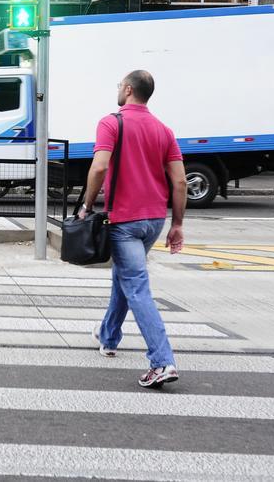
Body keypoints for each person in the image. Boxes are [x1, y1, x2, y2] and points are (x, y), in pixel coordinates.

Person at [79, 70, 187, 388]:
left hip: (124, 222)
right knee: (125, 277)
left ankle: (162, 361)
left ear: (128, 89)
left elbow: (99, 166)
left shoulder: (111, 123)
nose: (117, 90)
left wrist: (86, 204)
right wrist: (177, 224)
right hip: (154, 220)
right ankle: (109, 336)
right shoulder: (163, 130)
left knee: (136, 287)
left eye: (118, 86)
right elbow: (180, 181)